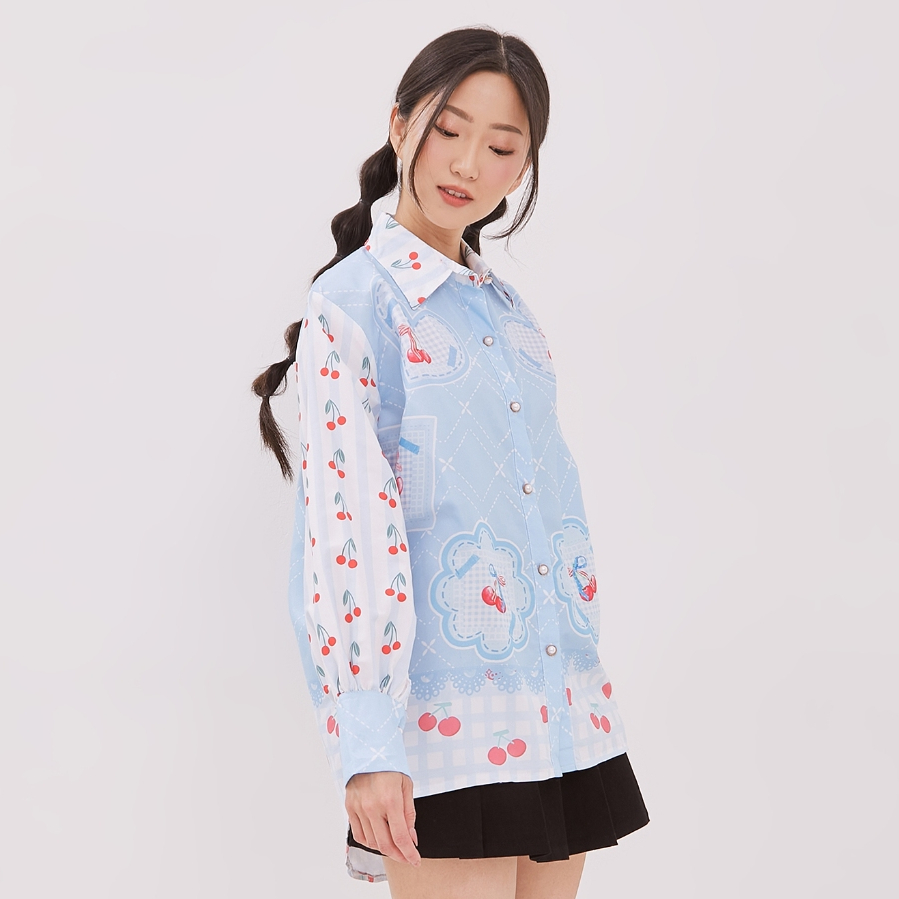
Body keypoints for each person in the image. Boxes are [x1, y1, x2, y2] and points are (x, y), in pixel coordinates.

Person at [253, 25, 649, 898]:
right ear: (400, 124)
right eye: (448, 129)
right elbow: (347, 532)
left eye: (501, 146)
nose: (468, 163)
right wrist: (367, 742)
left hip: (557, 713)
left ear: (524, 167)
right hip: (441, 729)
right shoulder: (351, 306)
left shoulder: (507, 312)